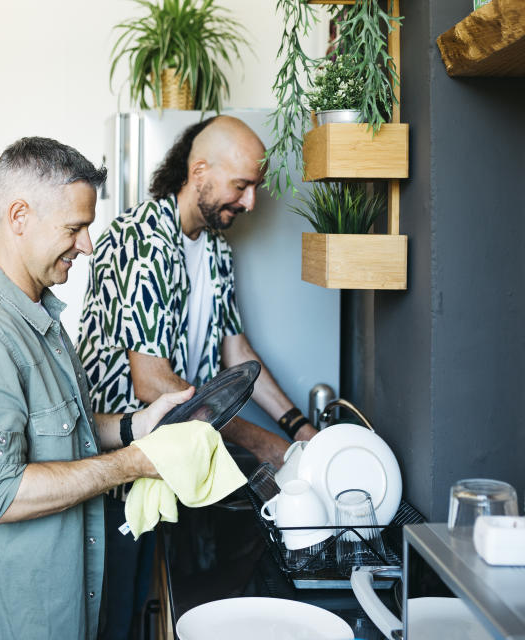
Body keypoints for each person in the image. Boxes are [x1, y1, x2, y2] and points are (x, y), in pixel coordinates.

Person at [0, 137, 195, 640]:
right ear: (19, 216)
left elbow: (56, 430)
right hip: (11, 616)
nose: (88, 245)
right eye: (75, 228)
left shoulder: (38, 317)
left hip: (56, 604)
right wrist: (138, 463)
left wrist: (137, 426)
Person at [77, 115, 318, 639]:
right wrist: (266, 446)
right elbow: (152, 383)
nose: (252, 202)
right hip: (117, 474)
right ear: (200, 170)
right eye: (243, 185)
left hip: (171, 469)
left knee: (153, 606)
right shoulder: (139, 239)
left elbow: (237, 354)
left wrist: (301, 431)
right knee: (115, 620)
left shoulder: (214, 250)